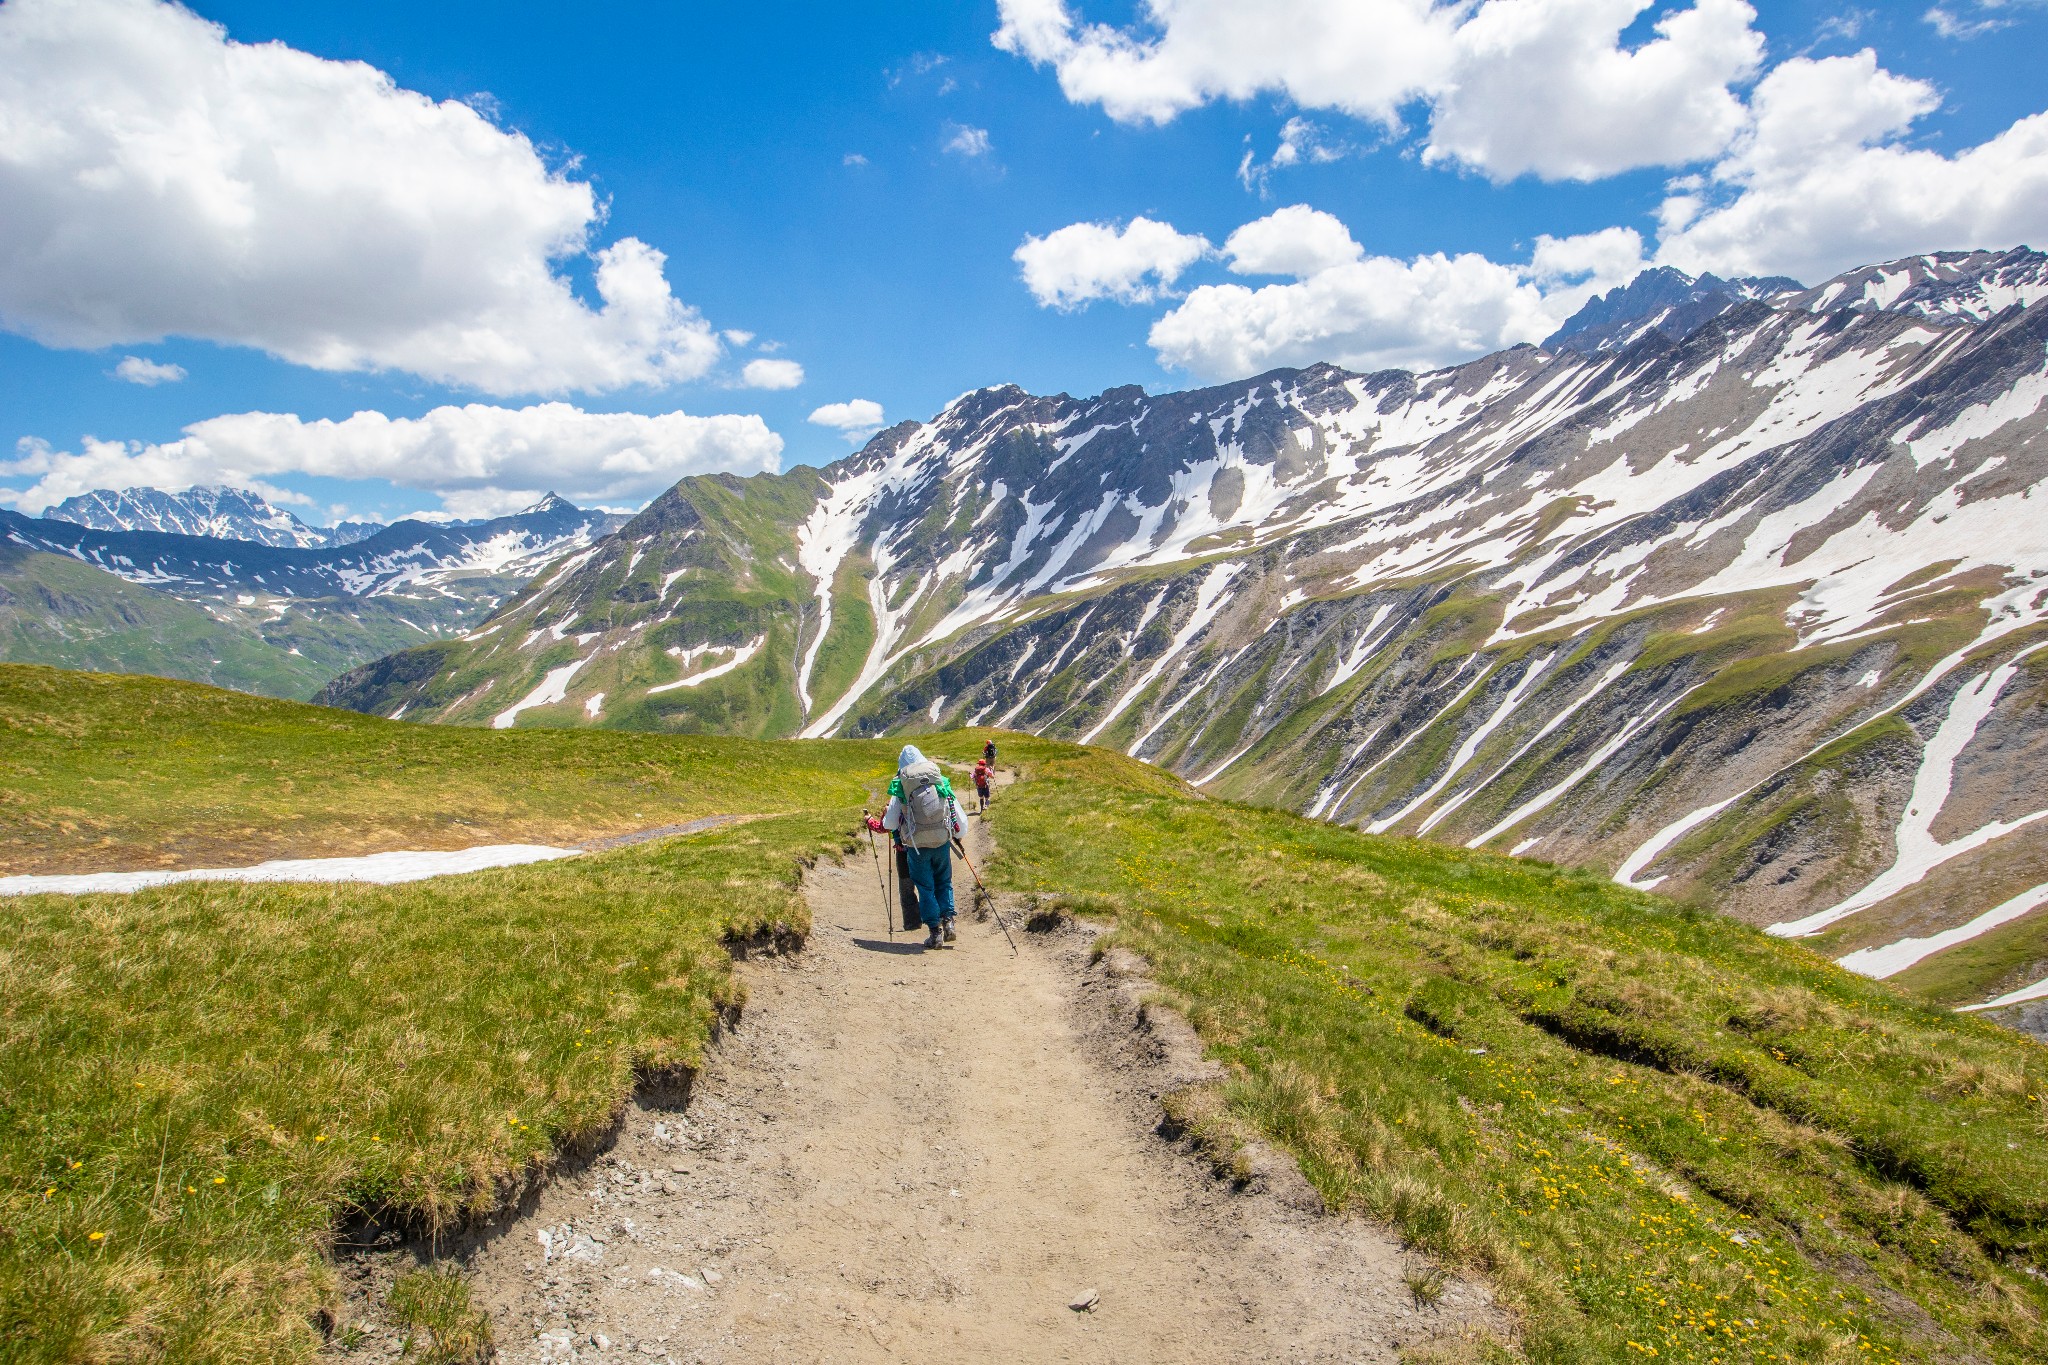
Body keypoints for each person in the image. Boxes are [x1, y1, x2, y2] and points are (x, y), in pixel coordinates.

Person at [866, 745, 967, 948]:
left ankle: (935, 933)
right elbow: (960, 822)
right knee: (944, 883)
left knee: (925, 887)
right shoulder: (939, 780)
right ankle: (949, 923)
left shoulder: (902, 785)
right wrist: (956, 835)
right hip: (941, 843)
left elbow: (890, 824)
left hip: (916, 847)